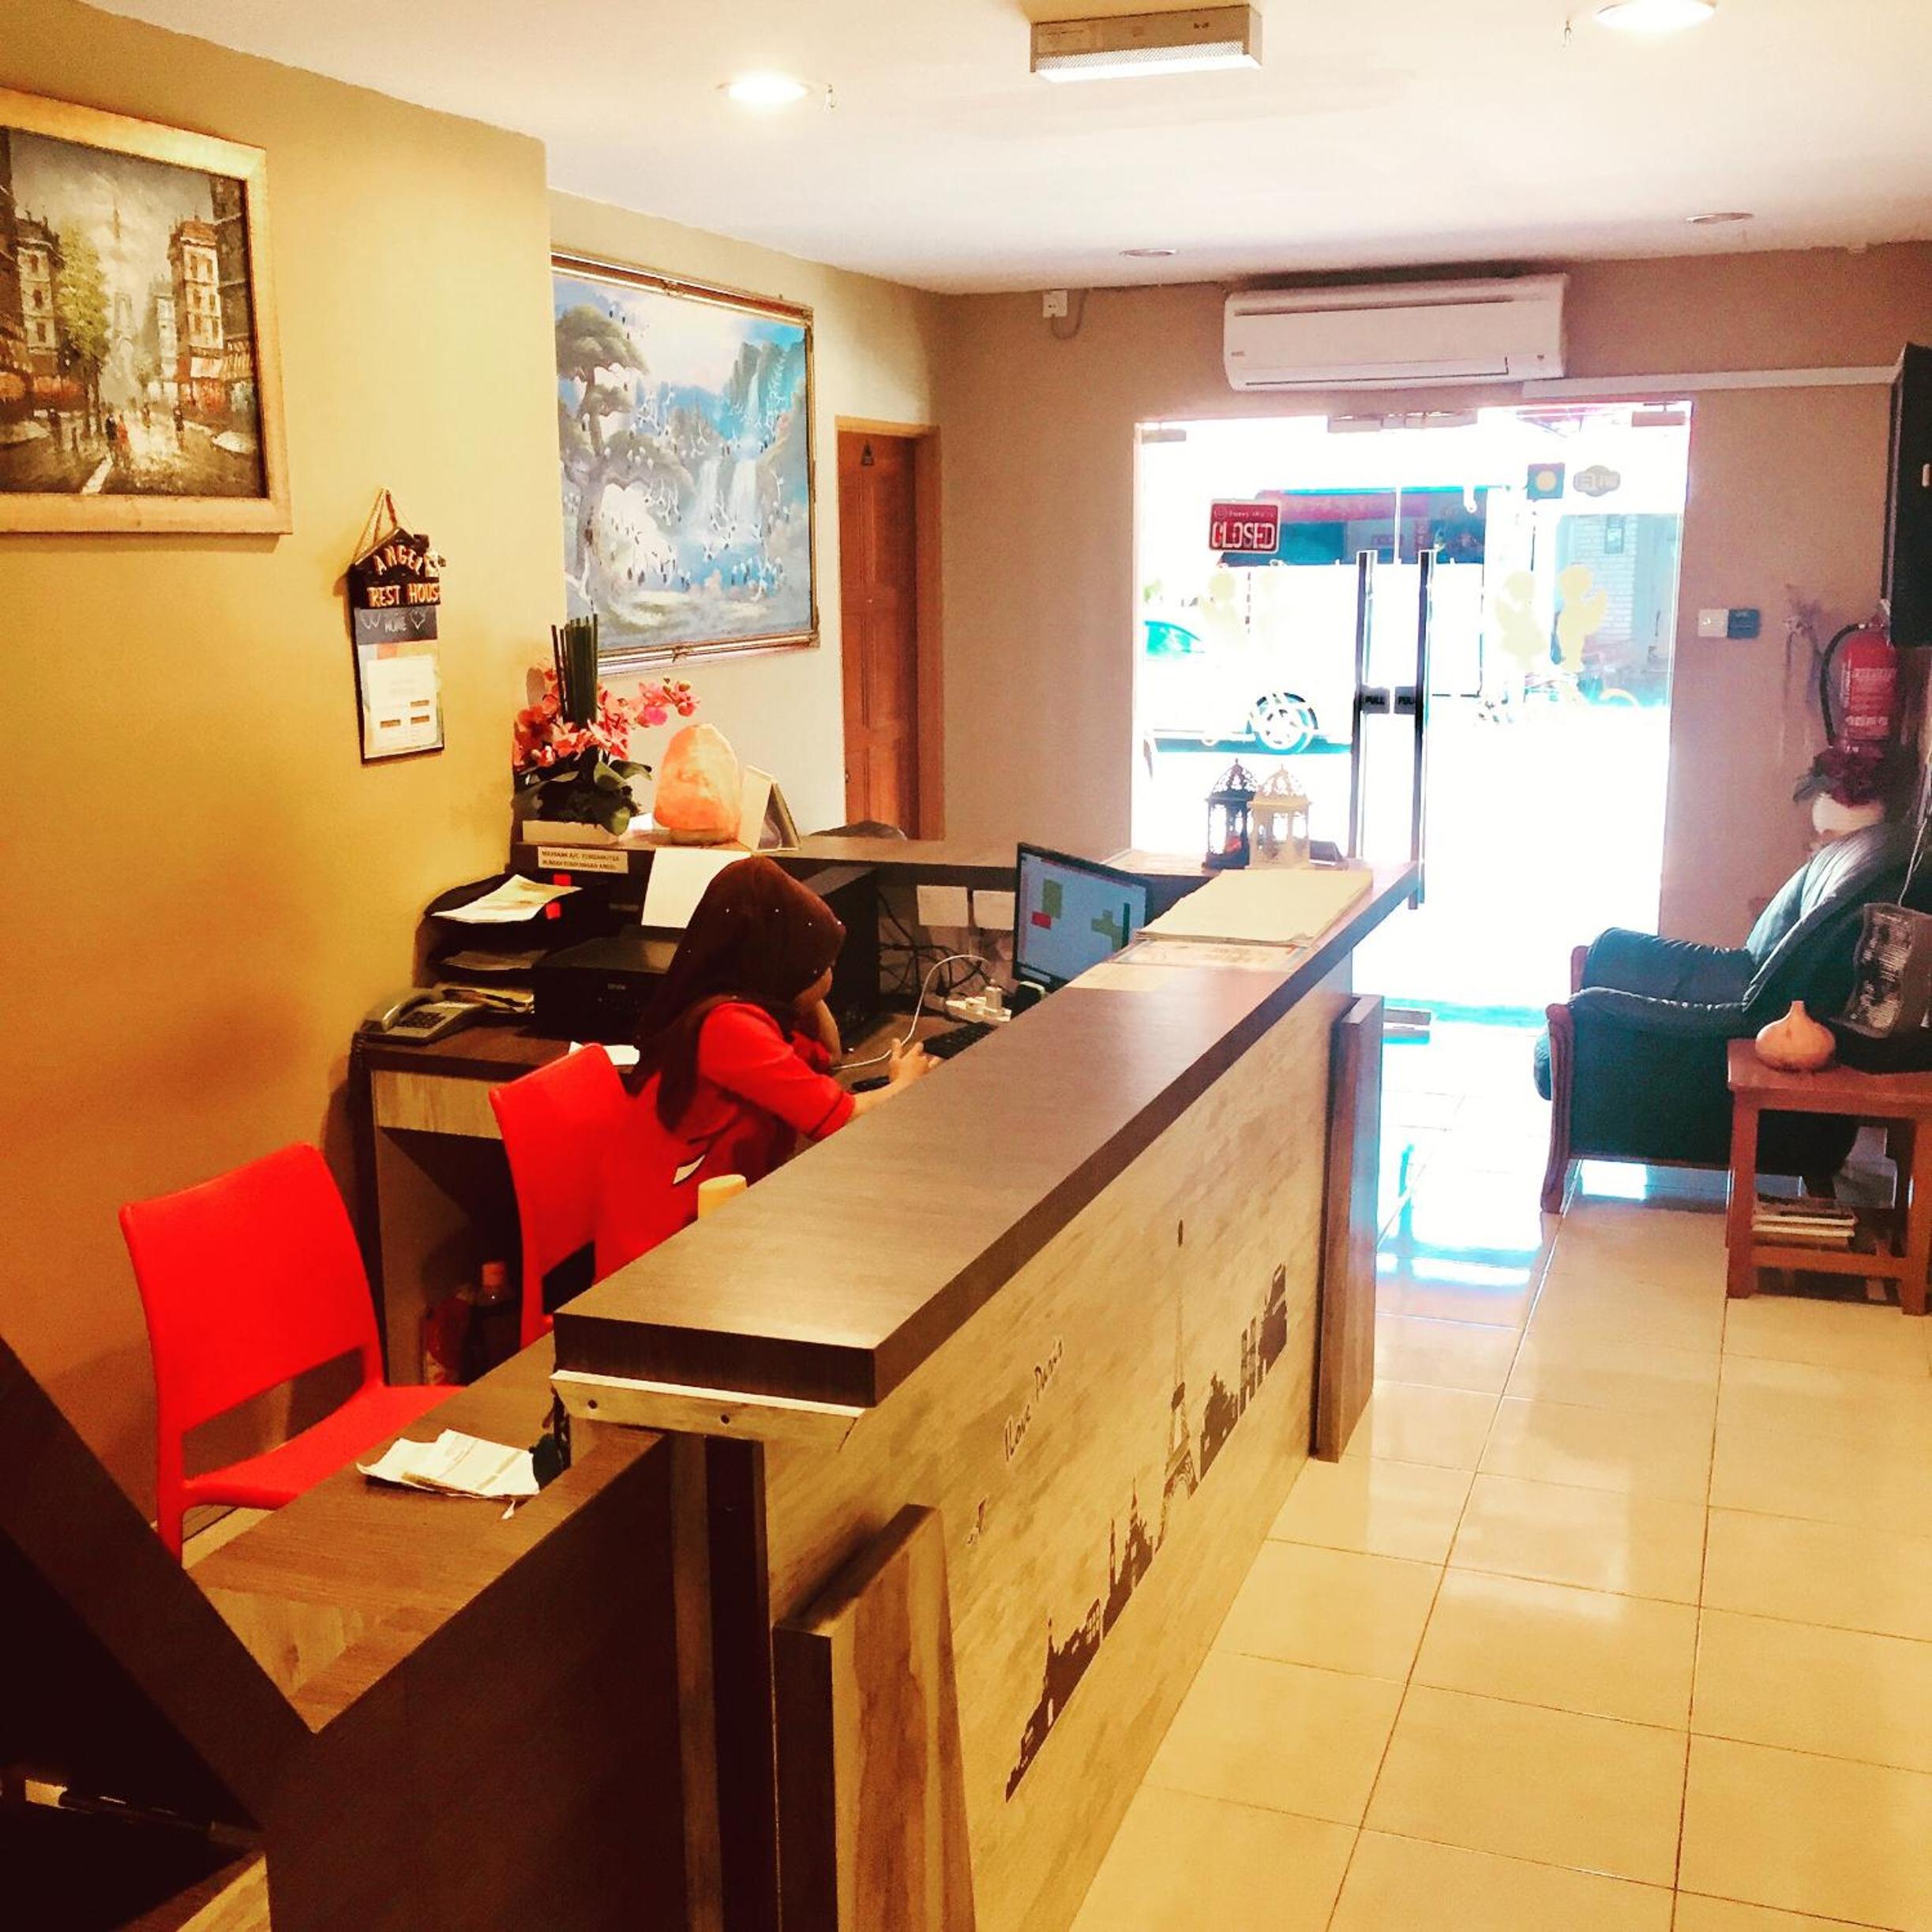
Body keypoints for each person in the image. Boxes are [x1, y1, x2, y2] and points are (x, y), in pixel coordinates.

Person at [594, 854, 929, 1275]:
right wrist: (905, 1082)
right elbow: (839, 1119)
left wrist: (802, 986)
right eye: (823, 961)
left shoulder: (746, 1011)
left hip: (712, 1221)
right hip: (658, 1254)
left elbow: (831, 1054)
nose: (830, 971)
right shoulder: (727, 1027)